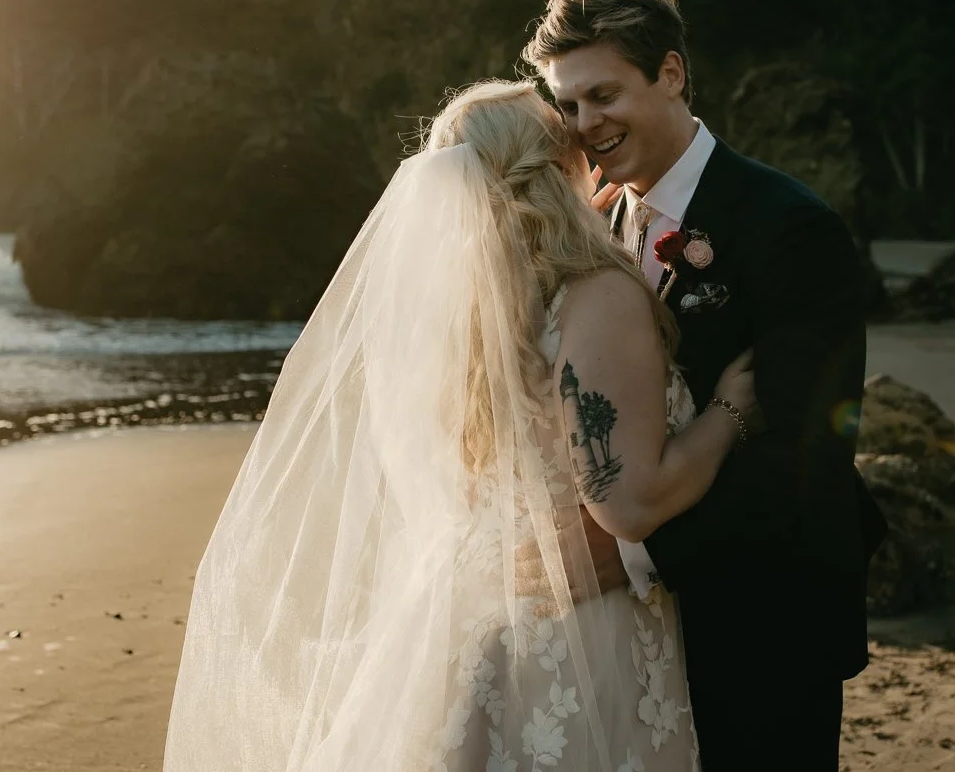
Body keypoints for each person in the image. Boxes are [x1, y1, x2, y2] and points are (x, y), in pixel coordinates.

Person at [164, 79, 761, 771]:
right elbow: (627, 505)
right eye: (567, 137)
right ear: (555, 168)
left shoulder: (454, 320)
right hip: (573, 630)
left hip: (461, 612)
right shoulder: (595, 296)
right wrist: (730, 408)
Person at [523, 0, 888, 770]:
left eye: (604, 95)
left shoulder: (790, 229)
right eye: (570, 103)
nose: (585, 123)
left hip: (763, 611)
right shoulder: (592, 228)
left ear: (672, 73)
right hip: (636, 640)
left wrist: (627, 555)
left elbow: (806, 455)